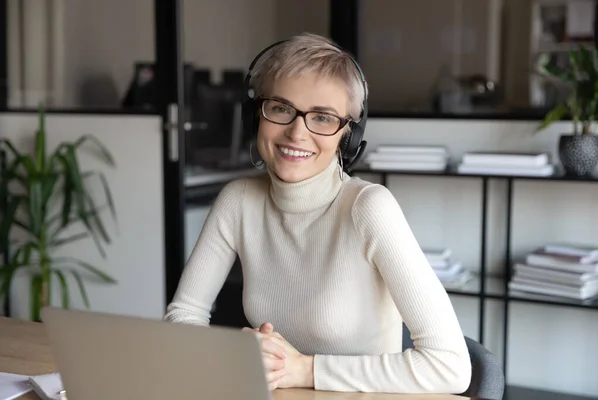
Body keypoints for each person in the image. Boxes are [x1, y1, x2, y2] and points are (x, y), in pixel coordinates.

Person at [164, 33, 471, 394]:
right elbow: (182, 317)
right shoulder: (238, 201)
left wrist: (305, 371)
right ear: (257, 116)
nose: (297, 132)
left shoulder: (370, 209)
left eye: (323, 118)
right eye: (280, 108)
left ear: (348, 136)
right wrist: (240, 354)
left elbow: (450, 365)